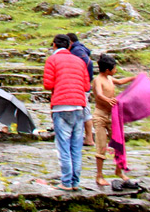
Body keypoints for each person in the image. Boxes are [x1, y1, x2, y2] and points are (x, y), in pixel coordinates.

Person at [43, 33, 91, 190]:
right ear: (69, 46)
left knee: (63, 145)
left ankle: (66, 181)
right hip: (79, 106)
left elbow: (48, 84)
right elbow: (86, 86)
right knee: (76, 146)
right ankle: (75, 181)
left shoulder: (52, 60)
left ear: (54, 45)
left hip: (61, 106)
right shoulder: (79, 61)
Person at [92, 53, 134, 187]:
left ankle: (119, 170)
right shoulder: (98, 80)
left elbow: (120, 81)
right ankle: (99, 175)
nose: (116, 70)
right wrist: (108, 99)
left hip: (112, 116)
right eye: (114, 68)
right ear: (107, 70)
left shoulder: (110, 78)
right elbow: (98, 94)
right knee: (101, 146)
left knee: (118, 143)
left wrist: (134, 78)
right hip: (100, 116)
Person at [69, 32, 96, 146]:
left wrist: (84, 79)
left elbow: (88, 63)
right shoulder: (80, 49)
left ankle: (89, 138)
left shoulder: (77, 51)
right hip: (82, 85)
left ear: (70, 42)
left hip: (81, 86)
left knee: (85, 111)